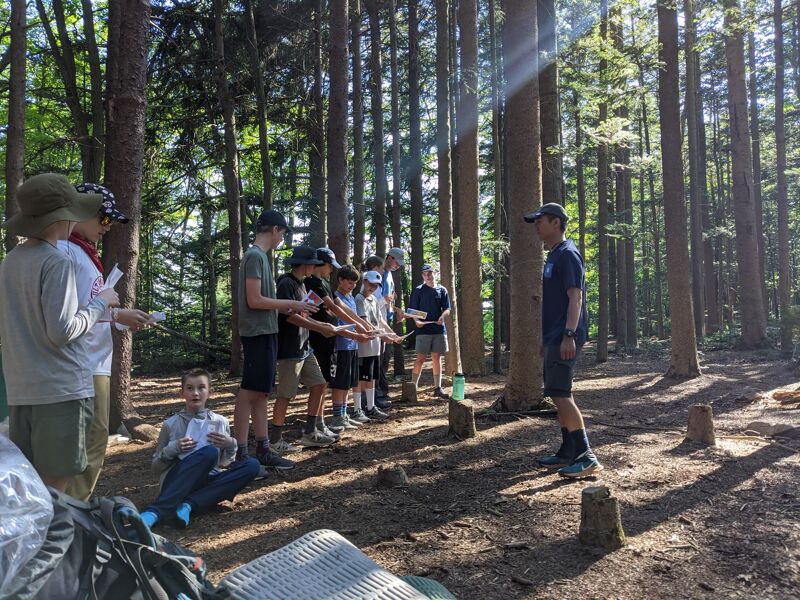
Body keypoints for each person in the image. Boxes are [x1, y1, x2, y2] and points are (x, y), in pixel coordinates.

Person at [0, 173, 120, 491]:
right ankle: (60, 542)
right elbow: (63, 330)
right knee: (55, 493)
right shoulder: (57, 262)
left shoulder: (10, 261)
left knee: (30, 492)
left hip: (23, 391)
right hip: (61, 391)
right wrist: (101, 303)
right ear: (63, 216)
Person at [59, 183, 153, 500]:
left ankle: (72, 509)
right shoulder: (66, 252)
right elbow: (67, 314)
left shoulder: (84, 252)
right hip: (81, 359)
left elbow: (89, 303)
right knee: (89, 437)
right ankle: (69, 512)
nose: (107, 228)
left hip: (96, 358)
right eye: (104, 220)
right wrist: (111, 310)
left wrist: (120, 315)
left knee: (95, 436)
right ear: (83, 211)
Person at [233, 209, 317, 472]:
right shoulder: (255, 256)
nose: (282, 240)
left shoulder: (260, 258)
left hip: (266, 331)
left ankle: (263, 449)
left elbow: (263, 301)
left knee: (261, 393)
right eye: (283, 234)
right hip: (256, 333)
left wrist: (286, 308)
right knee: (249, 393)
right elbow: (253, 300)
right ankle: (241, 456)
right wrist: (289, 302)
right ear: (275, 230)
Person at [524, 202, 601, 478]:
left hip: (566, 335)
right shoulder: (554, 254)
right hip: (555, 335)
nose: (537, 226)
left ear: (556, 222)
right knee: (557, 394)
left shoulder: (568, 254)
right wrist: (546, 338)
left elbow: (575, 297)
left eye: (540, 221)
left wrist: (569, 334)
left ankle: (586, 455)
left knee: (561, 394)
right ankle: (568, 450)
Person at [140, 368, 259, 529]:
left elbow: (224, 463)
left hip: (206, 482)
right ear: (181, 393)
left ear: (210, 392)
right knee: (209, 452)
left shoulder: (220, 422)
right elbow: (156, 466)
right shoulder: (171, 424)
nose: (195, 393)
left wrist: (231, 445)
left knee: (252, 465)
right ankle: (154, 513)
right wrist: (172, 449)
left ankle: (188, 505)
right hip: (177, 482)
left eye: (201, 388)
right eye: (189, 388)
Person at [270, 246, 339, 456]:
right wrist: (320, 327)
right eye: (314, 264)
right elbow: (289, 316)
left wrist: (322, 324)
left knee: (319, 384)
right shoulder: (286, 283)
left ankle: (310, 432)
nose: (315, 268)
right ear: (305, 264)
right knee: (286, 394)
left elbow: (302, 314)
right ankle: (275, 441)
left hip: (304, 347)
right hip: (289, 348)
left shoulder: (301, 285)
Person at [304, 248, 373, 434]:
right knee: (324, 383)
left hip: (331, 341)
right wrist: (358, 328)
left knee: (327, 383)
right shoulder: (312, 282)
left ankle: (324, 422)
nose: (331, 270)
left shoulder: (324, 283)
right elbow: (334, 307)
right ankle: (320, 423)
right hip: (319, 339)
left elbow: (341, 307)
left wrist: (362, 324)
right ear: (321, 264)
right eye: (329, 266)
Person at [355, 271, 399, 422]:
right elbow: (364, 322)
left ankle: (371, 407)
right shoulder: (359, 299)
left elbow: (380, 320)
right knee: (362, 377)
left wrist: (392, 334)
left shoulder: (374, 300)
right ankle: (357, 408)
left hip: (375, 346)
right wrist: (383, 335)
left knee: (372, 377)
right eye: (371, 284)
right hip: (363, 346)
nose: (372, 287)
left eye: (376, 285)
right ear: (364, 281)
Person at [329, 265, 366, 431]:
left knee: (348, 383)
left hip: (353, 344)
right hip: (341, 345)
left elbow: (355, 319)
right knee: (339, 383)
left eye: (354, 283)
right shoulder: (335, 297)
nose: (351, 286)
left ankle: (343, 415)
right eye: (349, 282)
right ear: (340, 280)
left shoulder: (350, 298)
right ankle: (337, 417)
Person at [408, 264, 452, 399]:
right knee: (420, 358)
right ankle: (412, 388)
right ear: (422, 276)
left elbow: (447, 309)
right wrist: (417, 322)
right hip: (423, 330)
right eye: (425, 274)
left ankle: (437, 388)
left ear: (435, 273)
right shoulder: (418, 290)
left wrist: (442, 317)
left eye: (430, 273)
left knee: (436, 358)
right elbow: (411, 311)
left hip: (438, 329)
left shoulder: (442, 290)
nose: (427, 276)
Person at [375, 248, 405, 405]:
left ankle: (382, 392)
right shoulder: (378, 274)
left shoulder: (390, 276)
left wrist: (397, 310)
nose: (398, 266)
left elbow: (389, 300)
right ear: (389, 257)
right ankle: (377, 394)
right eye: (396, 263)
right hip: (378, 322)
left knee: (385, 359)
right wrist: (387, 301)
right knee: (380, 359)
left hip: (387, 319)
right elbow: (374, 301)